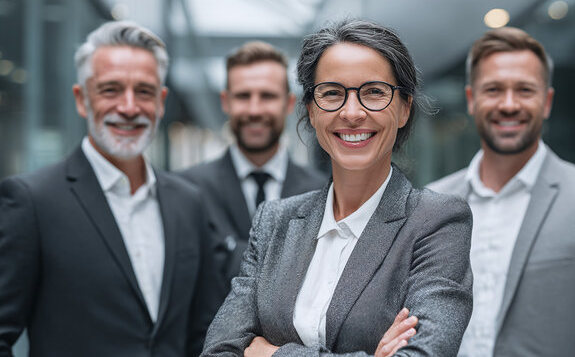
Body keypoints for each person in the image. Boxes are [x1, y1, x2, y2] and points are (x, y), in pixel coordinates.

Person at [201, 19, 473, 357]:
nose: (352, 112)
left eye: (374, 92)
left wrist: (271, 354)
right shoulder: (276, 221)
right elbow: (218, 350)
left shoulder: (437, 222)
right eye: (332, 93)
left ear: (404, 108)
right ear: (311, 112)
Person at [0, 21, 221, 356]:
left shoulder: (188, 202)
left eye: (144, 91)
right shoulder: (32, 200)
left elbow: (206, 330)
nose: (129, 107)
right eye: (110, 90)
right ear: (81, 99)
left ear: (161, 102)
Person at [427, 27, 575, 356]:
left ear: (547, 101)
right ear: (472, 100)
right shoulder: (432, 203)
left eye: (525, 90)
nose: (509, 104)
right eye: (494, 89)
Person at [180, 41, 326, 298]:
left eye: (267, 96)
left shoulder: (323, 192)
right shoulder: (188, 191)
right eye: (243, 96)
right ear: (225, 101)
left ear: (289, 103)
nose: (255, 109)